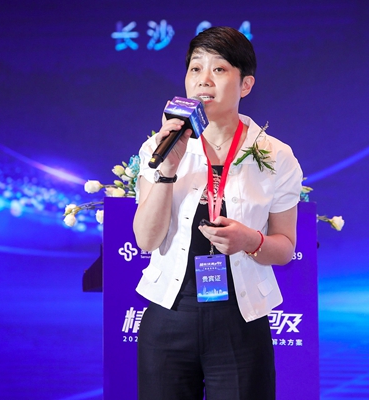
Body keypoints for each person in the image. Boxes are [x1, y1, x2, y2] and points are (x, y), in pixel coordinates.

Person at [133, 26, 303, 400]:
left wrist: (250, 240)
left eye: (219, 69)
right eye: (195, 68)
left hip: (240, 322)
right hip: (170, 316)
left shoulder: (276, 155)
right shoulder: (160, 147)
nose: (203, 80)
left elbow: (285, 248)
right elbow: (146, 239)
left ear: (246, 85)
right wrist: (167, 170)